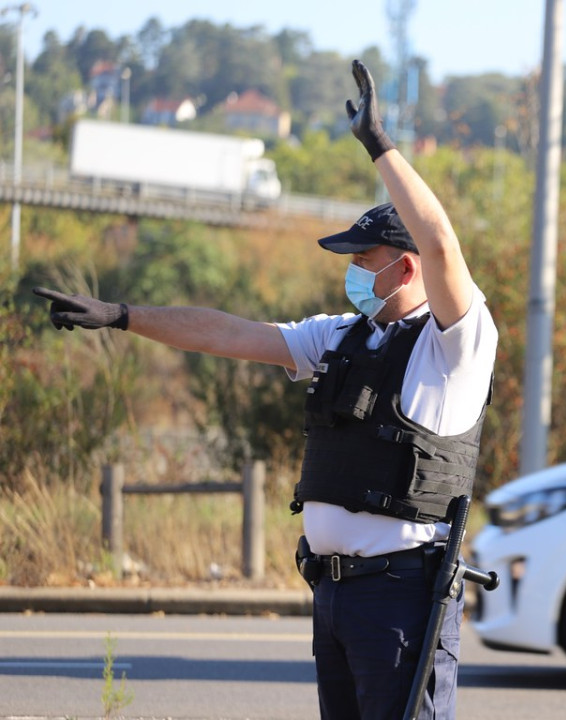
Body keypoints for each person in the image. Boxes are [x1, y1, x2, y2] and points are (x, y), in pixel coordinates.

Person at [34, 59, 497, 720]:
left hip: (401, 600)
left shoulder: (456, 346)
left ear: (406, 265)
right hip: (335, 597)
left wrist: (379, 146)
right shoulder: (342, 336)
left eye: (362, 260)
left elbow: (444, 246)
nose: (353, 272)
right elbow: (229, 334)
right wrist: (123, 316)